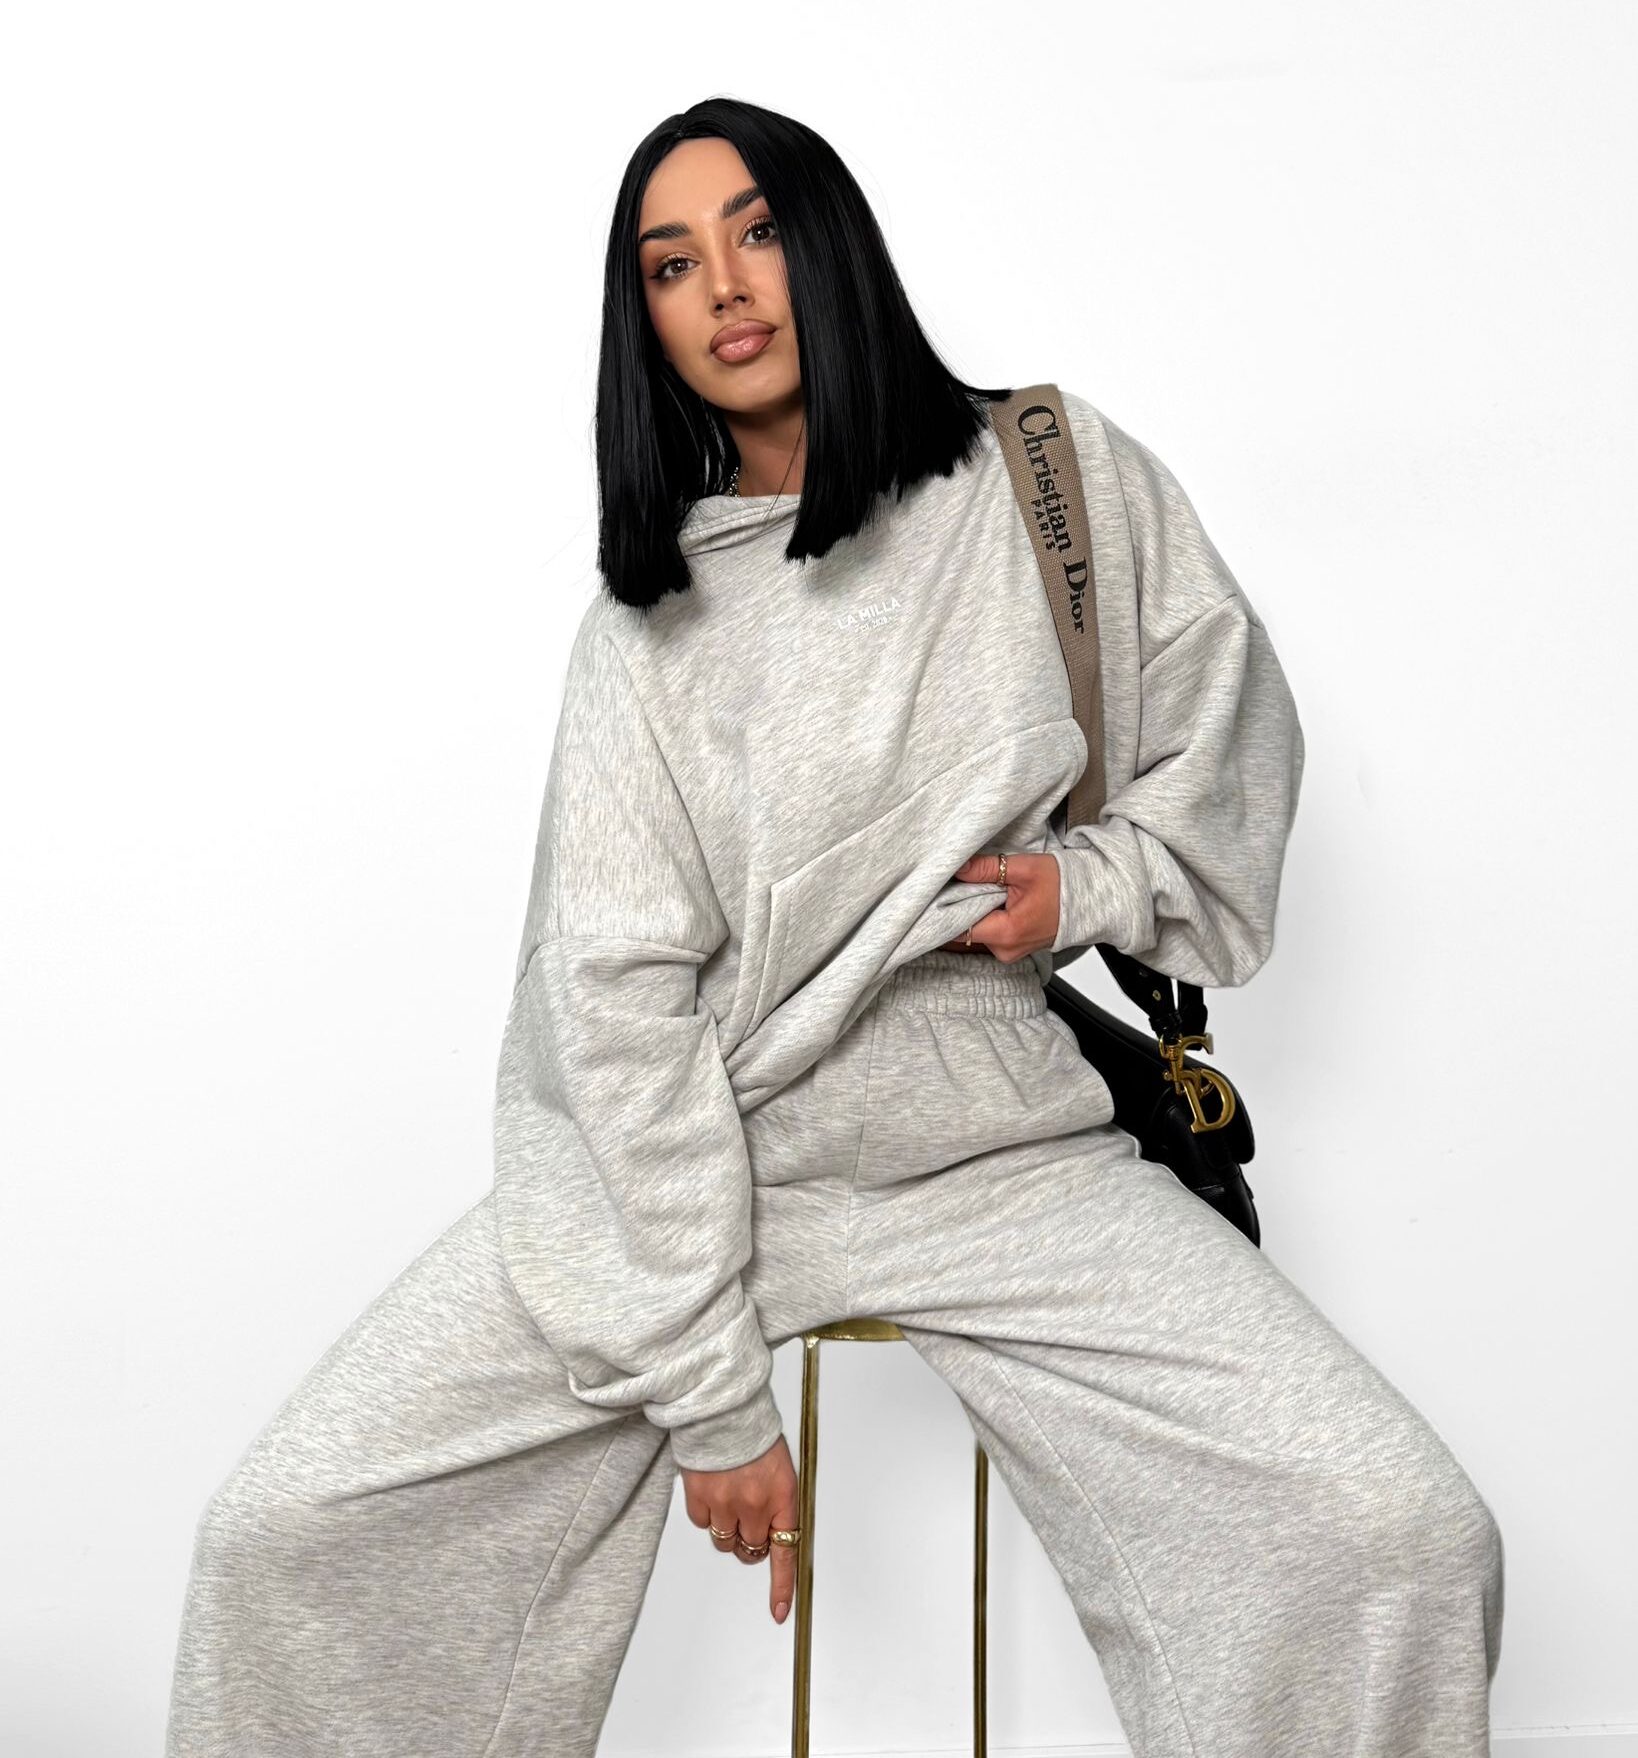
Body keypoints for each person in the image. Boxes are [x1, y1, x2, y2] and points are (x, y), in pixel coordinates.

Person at [164, 97, 1505, 1757]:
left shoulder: (1047, 476)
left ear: (830, 243)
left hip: (1003, 1158)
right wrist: (710, 1396)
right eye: (670, 263)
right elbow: (613, 1006)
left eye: (756, 231)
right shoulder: (644, 630)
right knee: (288, 1531)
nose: (724, 286)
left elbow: (1228, 742)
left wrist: (1084, 888)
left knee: (1393, 1529)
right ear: (642, 318)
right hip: (700, 1170)